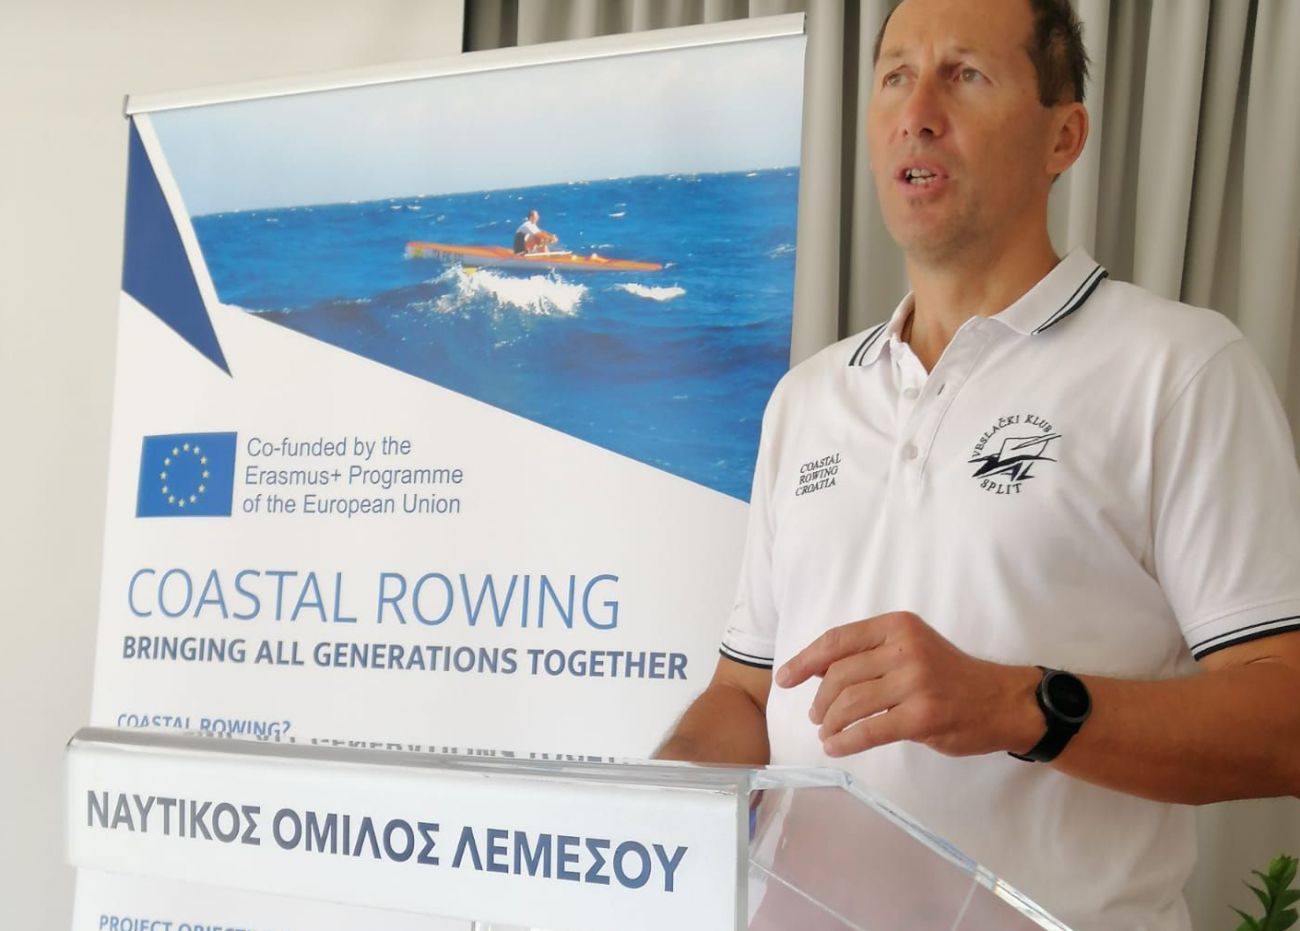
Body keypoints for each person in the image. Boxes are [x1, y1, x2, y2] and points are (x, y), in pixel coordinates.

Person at [655, 0, 1300, 928]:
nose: (917, 112)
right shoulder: (807, 399)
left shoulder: (1179, 368)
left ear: (1063, 137)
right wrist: (665, 789)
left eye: (965, 75)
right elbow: (747, 692)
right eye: (895, 77)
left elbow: (1285, 718)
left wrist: (1020, 705)